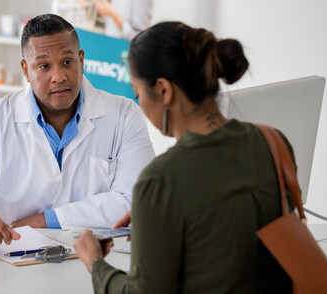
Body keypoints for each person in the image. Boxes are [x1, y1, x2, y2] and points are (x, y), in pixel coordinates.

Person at [74, 22, 294, 293]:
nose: (139, 104)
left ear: (164, 91)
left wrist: (95, 263)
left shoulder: (160, 181)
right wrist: (158, 213)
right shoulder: (274, 143)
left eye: (138, 93)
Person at [0, 14, 155, 249]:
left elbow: (137, 201)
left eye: (67, 62)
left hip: (92, 262)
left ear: (81, 60)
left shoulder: (124, 115)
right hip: (13, 261)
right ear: (26, 71)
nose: (58, 76)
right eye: (44, 66)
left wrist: (45, 220)